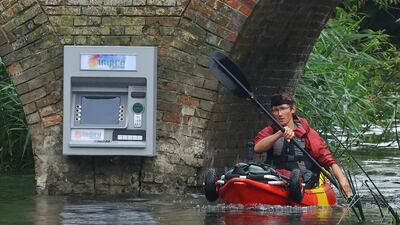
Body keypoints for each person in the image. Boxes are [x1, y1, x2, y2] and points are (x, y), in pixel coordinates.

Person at [253, 93, 352, 198]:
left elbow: (329, 162)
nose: (280, 113)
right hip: (275, 179)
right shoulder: (270, 131)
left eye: (283, 109)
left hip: (303, 183)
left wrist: (343, 181)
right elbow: (257, 148)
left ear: (292, 109)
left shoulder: (308, 133)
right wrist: (279, 134)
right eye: (275, 110)